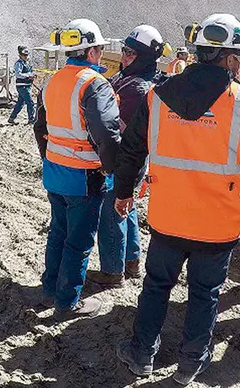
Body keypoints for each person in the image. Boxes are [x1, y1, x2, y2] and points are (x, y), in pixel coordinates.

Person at [113, 14, 240, 385]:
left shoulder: (157, 96)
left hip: (168, 217)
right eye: (238, 55)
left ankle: (141, 352)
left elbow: (130, 150)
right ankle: (191, 362)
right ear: (227, 58)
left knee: (156, 286)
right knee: (204, 292)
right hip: (218, 222)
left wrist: (124, 192)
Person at [32, 19, 121, 318]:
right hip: (85, 175)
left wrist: (49, 157)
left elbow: (39, 125)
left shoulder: (52, 81)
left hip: (55, 171)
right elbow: (107, 135)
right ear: (93, 51)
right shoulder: (94, 84)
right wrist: (112, 169)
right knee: (79, 241)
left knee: (58, 232)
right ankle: (68, 302)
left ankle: (49, 290)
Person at [87, 25, 165, 287]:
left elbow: (121, 131)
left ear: (143, 57)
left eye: (130, 53)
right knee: (126, 208)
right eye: (124, 50)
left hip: (124, 160)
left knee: (112, 213)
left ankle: (112, 271)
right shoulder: (128, 80)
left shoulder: (138, 89)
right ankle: (131, 262)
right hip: (128, 160)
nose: (123, 57)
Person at [8, 45, 36, 124]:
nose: (26, 57)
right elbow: (18, 74)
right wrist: (28, 75)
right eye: (24, 55)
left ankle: (11, 118)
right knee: (30, 103)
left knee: (20, 103)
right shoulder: (19, 63)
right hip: (22, 86)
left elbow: (30, 71)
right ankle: (31, 119)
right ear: (20, 55)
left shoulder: (27, 63)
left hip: (27, 86)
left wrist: (33, 75)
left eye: (27, 55)